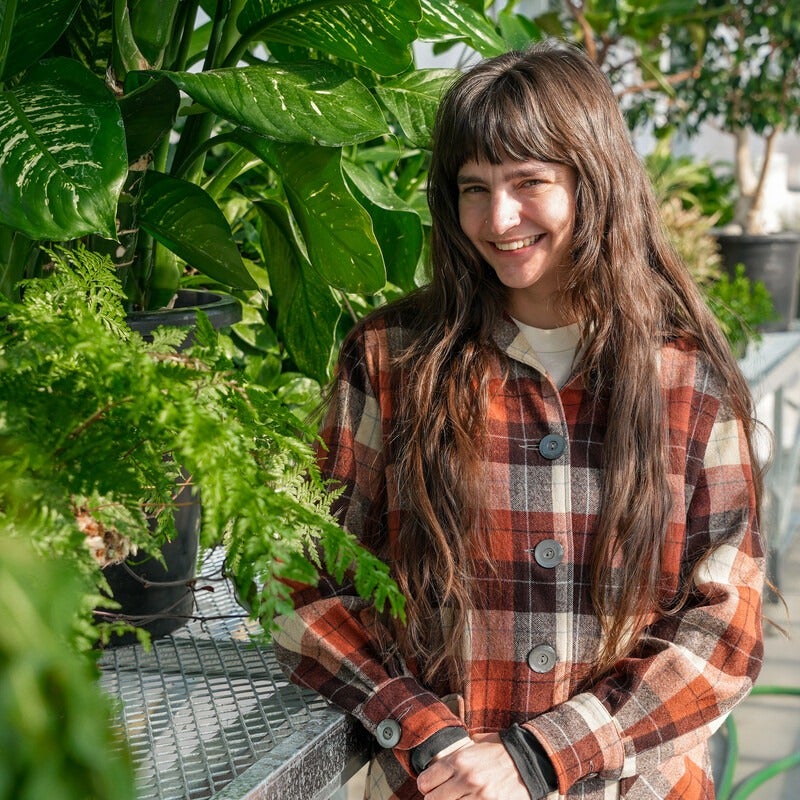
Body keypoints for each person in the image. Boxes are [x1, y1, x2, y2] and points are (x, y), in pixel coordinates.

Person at [272, 41, 765, 800]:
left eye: (529, 182)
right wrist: (422, 728)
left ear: (593, 182)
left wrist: (541, 756)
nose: (498, 219)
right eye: (474, 188)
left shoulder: (686, 378)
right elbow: (305, 574)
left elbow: (724, 631)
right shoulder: (392, 359)